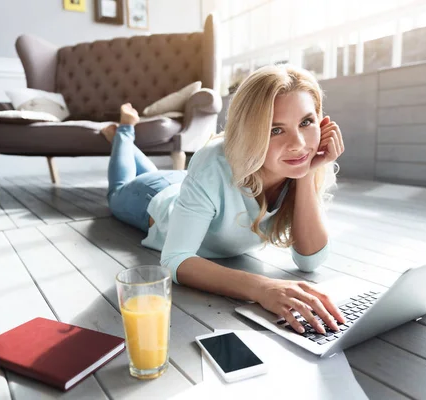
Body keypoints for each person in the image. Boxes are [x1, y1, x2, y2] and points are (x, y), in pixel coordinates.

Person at [103, 64, 346, 334]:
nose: (299, 143)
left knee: (168, 177)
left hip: (193, 187)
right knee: (118, 191)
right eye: (276, 129)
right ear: (249, 132)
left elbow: (309, 261)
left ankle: (126, 141)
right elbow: (174, 258)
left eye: (306, 122)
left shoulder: (300, 162)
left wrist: (304, 171)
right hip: (152, 199)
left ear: (322, 122)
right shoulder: (213, 160)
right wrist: (262, 287)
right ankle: (124, 132)